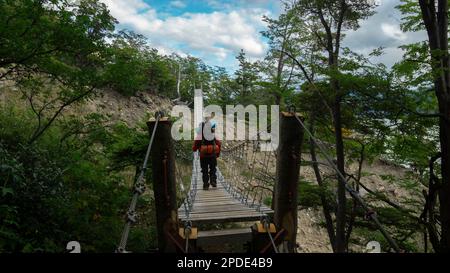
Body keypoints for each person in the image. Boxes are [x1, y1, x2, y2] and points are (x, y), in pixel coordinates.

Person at [192, 120, 221, 190]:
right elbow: (219, 144)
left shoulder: (199, 136)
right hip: (212, 155)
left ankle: (205, 184)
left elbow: (195, 147)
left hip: (203, 156)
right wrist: (217, 154)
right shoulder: (213, 134)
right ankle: (213, 180)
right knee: (213, 169)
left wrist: (195, 149)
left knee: (204, 170)